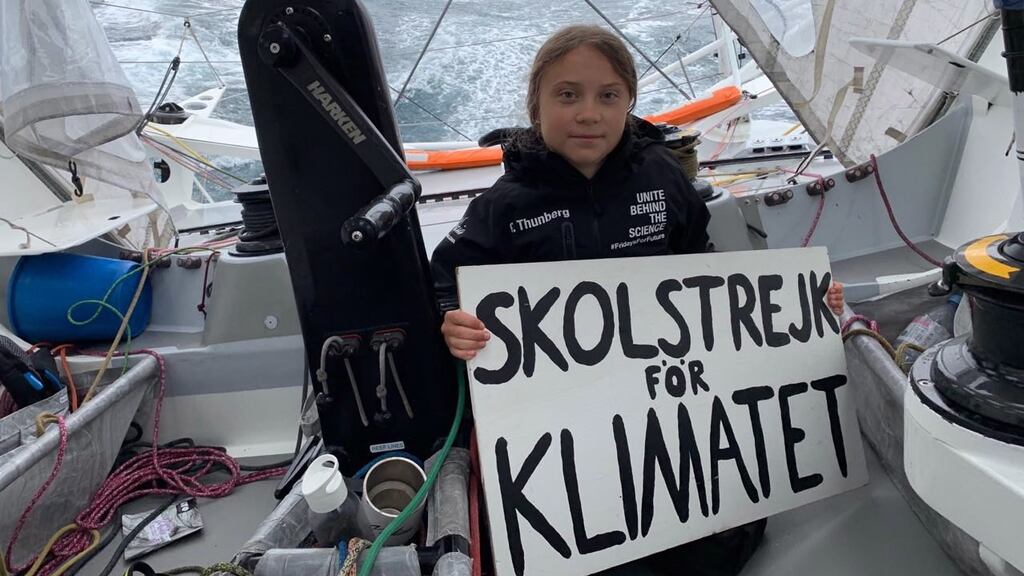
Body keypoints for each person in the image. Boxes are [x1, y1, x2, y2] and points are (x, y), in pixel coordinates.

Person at [429, 24, 843, 576]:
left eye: (608, 96)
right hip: (557, 418)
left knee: (713, 547)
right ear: (537, 104)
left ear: (629, 102)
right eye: (567, 95)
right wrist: (448, 323)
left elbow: (705, 265)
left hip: (662, 403)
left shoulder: (662, 176)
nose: (588, 114)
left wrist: (799, 307)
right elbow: (442, 283)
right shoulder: (502, 206)